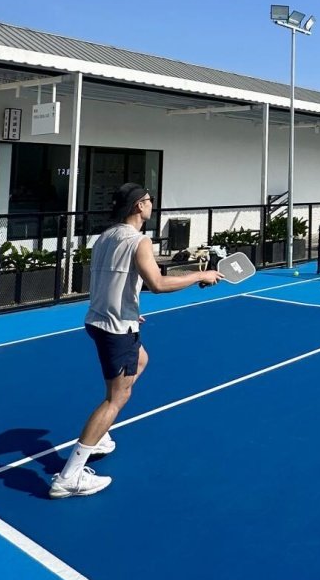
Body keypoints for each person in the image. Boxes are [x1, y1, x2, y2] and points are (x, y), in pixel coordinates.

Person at [49, 183, 224, 499]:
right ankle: (69, 476)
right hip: (116, 329)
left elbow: (112, 279)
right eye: (148, 200)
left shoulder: (105, 237)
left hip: (100, 320)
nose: (151, 204)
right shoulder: (140, 241)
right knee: (116, 398)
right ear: (137, 206)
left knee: (141, 360)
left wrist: (128, 308)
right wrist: (201, 275)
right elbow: (157, 283)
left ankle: (99, 438)